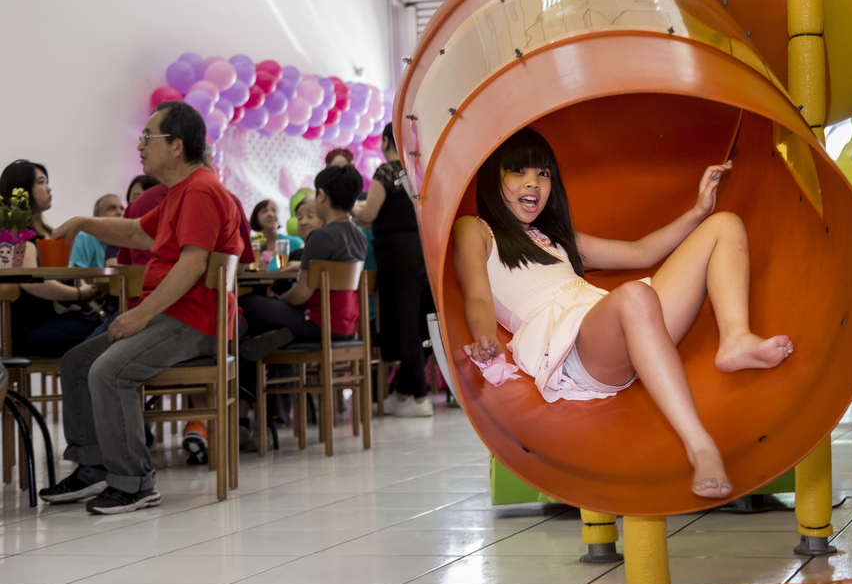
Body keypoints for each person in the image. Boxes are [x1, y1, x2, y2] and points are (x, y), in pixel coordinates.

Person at [452, 128, 794, 500]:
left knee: (723, 225)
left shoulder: (557, 238)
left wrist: (698, 211)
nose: (533, 182)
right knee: (634, 296)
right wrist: (484, 336)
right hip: (572, 346)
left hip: (622, 322)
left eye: (543, 173)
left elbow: (641, 252)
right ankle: (701, 447)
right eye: (518, 171)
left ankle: (735, 338)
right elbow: (478, 296)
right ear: (493, 179)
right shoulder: (477, 229)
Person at [39, 101, 243, 514]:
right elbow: (135, 232)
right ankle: (94, 467)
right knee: (77, 362)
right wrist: (84, 222)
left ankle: (135, 483)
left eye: (148, 137)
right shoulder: (180, 191)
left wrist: (140, 313)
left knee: (108, 372)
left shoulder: (201, 190)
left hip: (195, 320)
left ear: (176, 146)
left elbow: (193, 263)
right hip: (174, 314)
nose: (140, 145)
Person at [239, 165, 367, 356]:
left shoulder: (321, 236)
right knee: (271, 315)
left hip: (319, 322)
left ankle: (259, 360)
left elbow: (301, 293)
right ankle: (282, 337)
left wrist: (280, 301)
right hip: (348, 326)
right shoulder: (360, 236)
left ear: (321, 196)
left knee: (246, 303)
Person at [355, 123, 434, 417]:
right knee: (416, 319)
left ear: (387, 141)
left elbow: (369, 214)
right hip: (421, 250)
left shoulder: (387, 171)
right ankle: (404, 393)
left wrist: (347, 208)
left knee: (404, 322)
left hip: (396, 254)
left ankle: (420, 399)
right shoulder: (418, 173)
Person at [0, 161, 104, 356]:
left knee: (109, 329)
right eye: (41, 182)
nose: (49, 188)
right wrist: (79, 293)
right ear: (22, 190)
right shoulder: (19, 237)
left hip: (56, 319)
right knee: (107, 334)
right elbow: (31, 282)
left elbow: (64, 271)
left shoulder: (48, 233)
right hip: (33, 328)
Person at [70, 194, 124, 268]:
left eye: (122, 209)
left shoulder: (124, 242)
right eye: (112, 208)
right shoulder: (83, 238)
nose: (119, 212)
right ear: (96, 214)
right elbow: (75, 273)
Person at [249, 200, 303, 271]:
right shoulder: (249, 244)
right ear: (255, 218)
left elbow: (309, 264)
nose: (271, 214)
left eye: (274, 210)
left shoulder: (294, 242)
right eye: (264, 211)